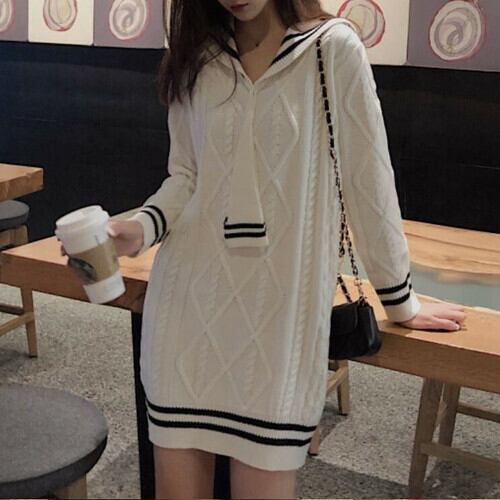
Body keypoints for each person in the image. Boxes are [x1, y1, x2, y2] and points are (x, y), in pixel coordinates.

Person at [62, 0, 466, 498]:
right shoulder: (197, 57)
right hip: (186, 313)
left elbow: (369, 183)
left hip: (279, 325)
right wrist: (140, 229)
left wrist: (401, 301)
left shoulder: (332, 49)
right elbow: (186, 175)